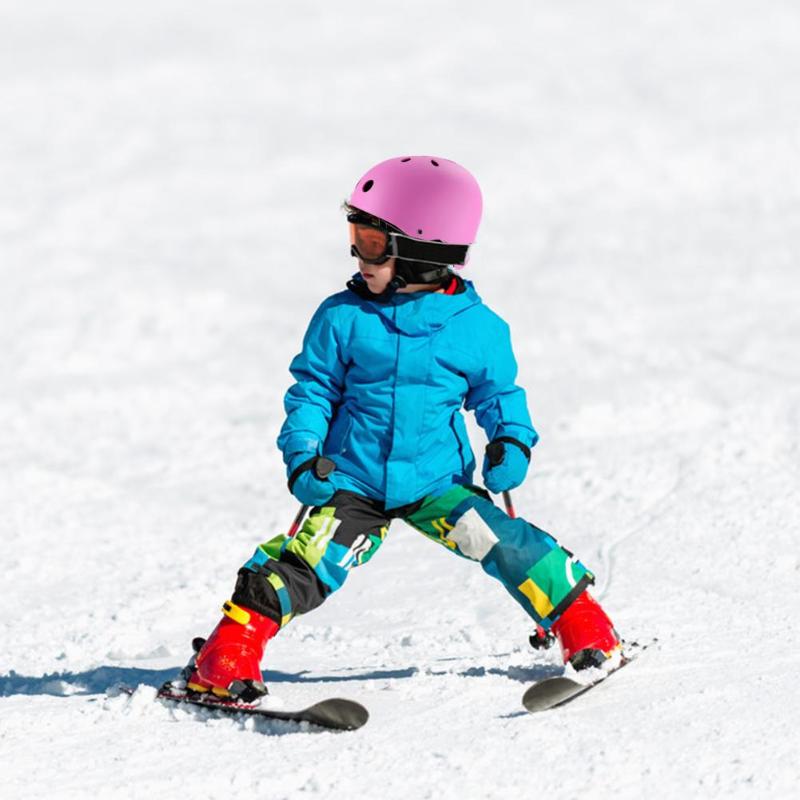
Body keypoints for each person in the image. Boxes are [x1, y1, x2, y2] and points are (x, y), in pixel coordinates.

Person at [182, 156, 621, 702]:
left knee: (508, 545)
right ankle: (225, 656)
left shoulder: (477, 328)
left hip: (436, 485)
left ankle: (586, 627)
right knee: (305, 563)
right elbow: (312, 392)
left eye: (370, 241)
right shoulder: (342, 316)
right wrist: (303, 454)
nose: (356, 254)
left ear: (422, 253)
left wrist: (510, 439)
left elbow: (499, 395)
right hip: (351, 481)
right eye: (355, 235)